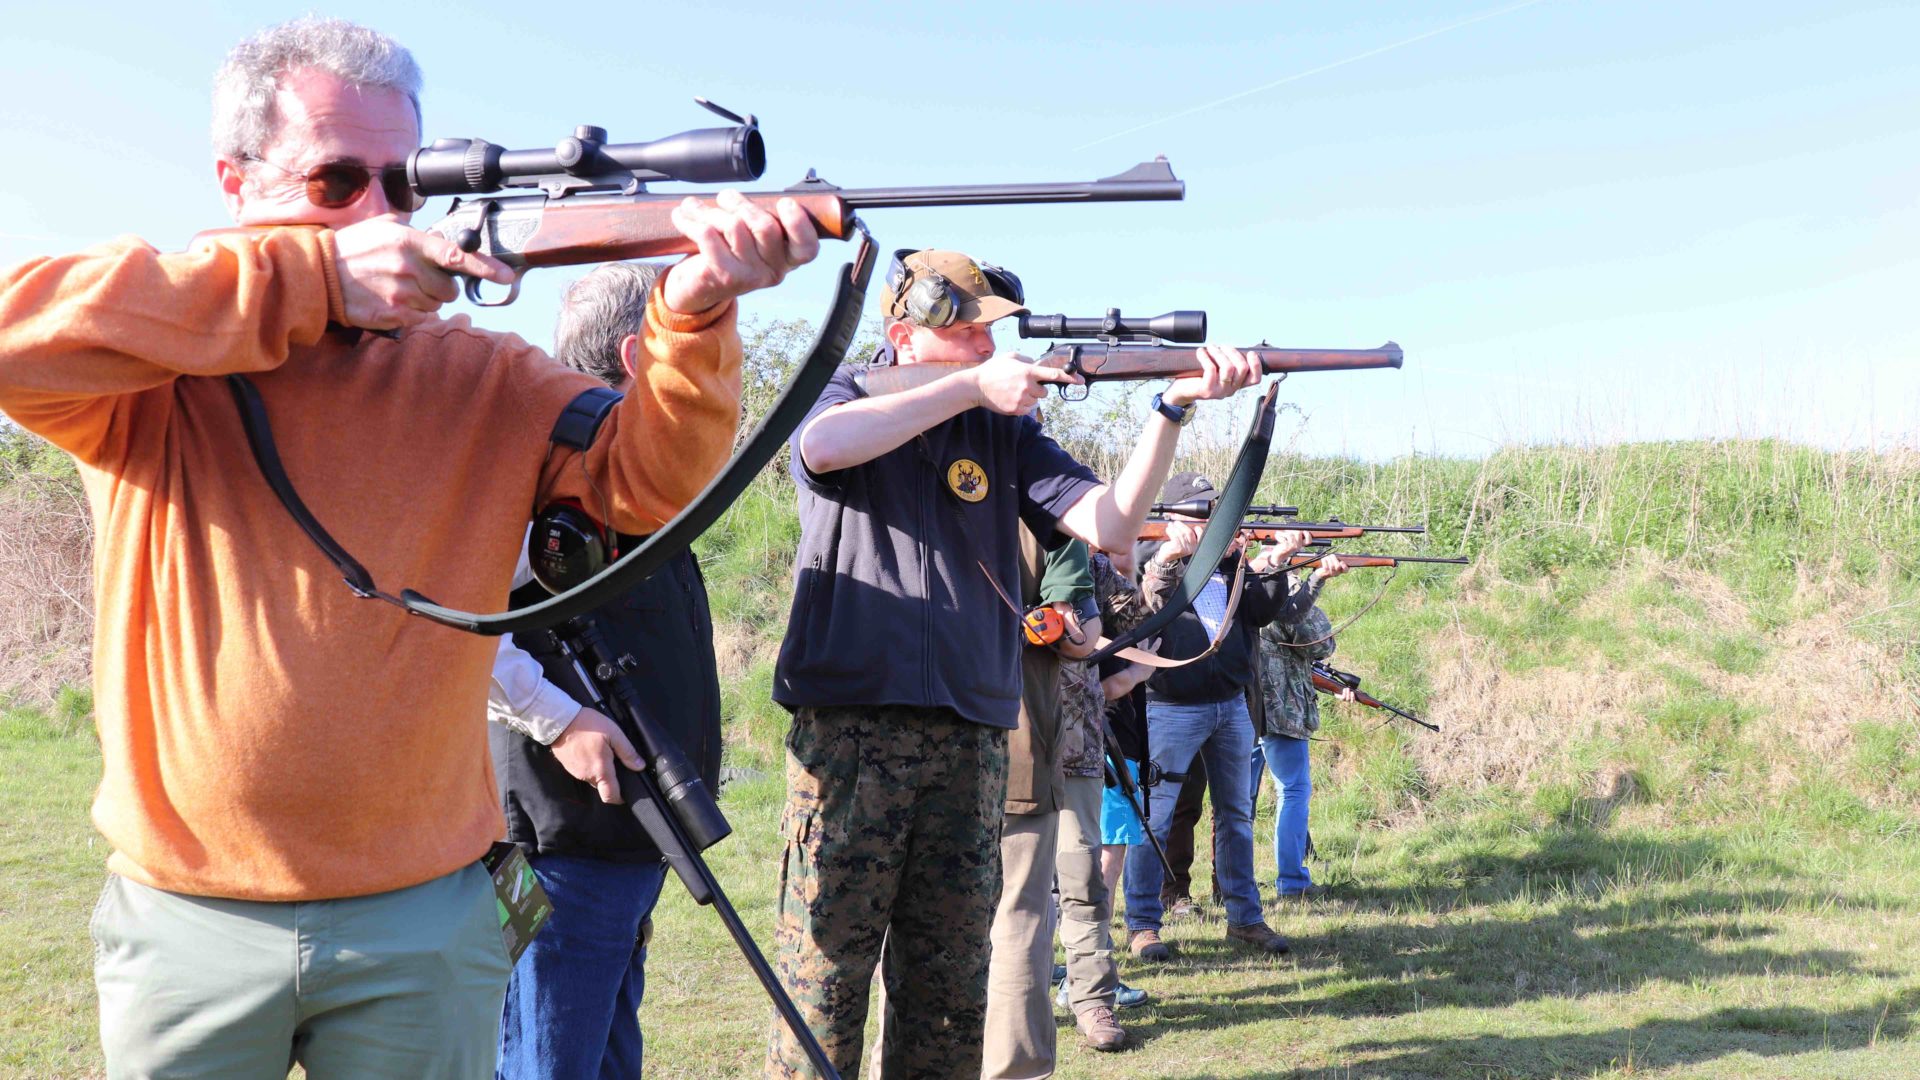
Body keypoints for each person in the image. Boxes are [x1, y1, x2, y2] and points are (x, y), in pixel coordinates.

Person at [0, 18, 816, 1077]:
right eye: (337, 180)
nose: (381, 214)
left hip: (423, 918)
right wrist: (310, 284)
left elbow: (643, 484)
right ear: (235, 181)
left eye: (404, 185)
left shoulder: (481, 374)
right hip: (186, 918)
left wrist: (695, 316)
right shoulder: (159, 363)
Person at [766, 248, 1262, 1078]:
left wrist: (1170, 408)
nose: (988, 351)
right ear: (904, 334)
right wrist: (965, 389)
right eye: (969, 336)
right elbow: (823, 448)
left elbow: (1109, 522)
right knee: (825, 981)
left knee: (952, 987)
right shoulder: (848, 391)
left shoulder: (1007, 433)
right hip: (852, 733)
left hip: (971, 739)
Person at [487, 261, 726, 1079]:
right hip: (563, 835)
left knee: (606, 1055)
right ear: (638, 353)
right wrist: (558, 720)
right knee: (547, 1062)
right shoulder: (548, 460)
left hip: (627, 831)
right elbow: (462, 626)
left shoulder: (629, 464)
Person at [1122, 473, 1323, 961]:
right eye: (1204, 515)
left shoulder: (1229, 560)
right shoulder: (1149, 559)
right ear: (1174, 520)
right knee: (1157, 816)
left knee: (1237, 814)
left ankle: (1245, 918)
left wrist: (1275, 560)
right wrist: (1171, 554)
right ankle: (1143, 924)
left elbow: (1258, 612)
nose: (1216, 523)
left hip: (1231, 703)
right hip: (1169, 706)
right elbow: (1145, 609)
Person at [983, 530, 1109, 1073]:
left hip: (1020, 749)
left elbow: (1082, 636)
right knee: (1021, 916)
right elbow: (1079, 641)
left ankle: (1092, 999)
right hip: (1019, 748)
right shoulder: (1045, 510)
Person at [1244, 546, 1353, 899]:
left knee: (1238, 802)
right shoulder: (1278, 600)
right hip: (1279, 711)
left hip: (1243, 706)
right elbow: (1319, 642)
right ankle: (1291, 882)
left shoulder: (1243, 591)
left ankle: (1233, 885)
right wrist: (1314, 582)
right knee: (1292, 791)